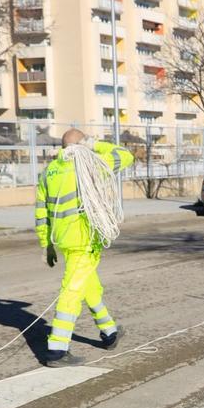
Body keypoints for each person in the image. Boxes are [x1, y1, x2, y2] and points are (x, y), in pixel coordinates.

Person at [35, 128, 134, 366]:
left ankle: (109, 331)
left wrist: (46, 244)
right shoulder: (90, 166)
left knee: (90, 287)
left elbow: (41, 212)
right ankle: (57, 349)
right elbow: (125, 155)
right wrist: (95, 144)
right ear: (82, 146)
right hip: (85, 239)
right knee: (71, 292)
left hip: (64, 240)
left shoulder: (48, 172)